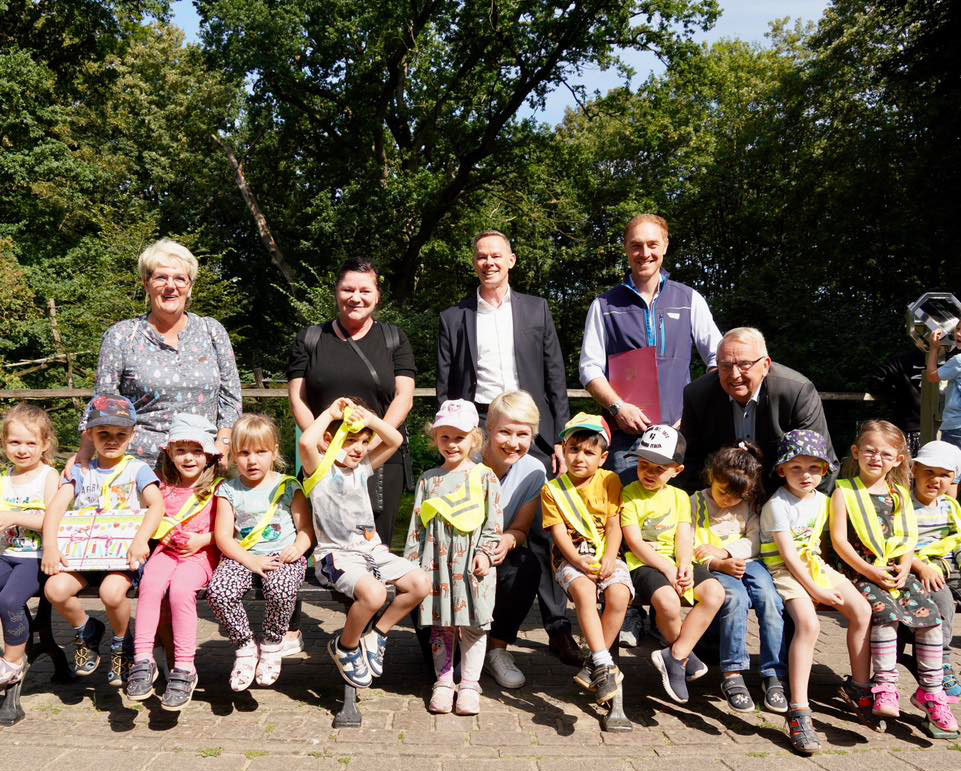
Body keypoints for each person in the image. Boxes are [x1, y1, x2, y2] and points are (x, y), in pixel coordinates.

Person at [436, 230, 577, 666]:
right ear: (474, 262)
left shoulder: (537, 308)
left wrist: (559, 439)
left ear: (511, 260)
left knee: (542, 526)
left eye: (497, 256)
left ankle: (557, 626)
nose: (489, 262)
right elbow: (446, 383)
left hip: (530, 423)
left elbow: (555, 375)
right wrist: (452, 440)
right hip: (478, 422)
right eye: (482, 256)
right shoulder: (453, 317)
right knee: (474, 519)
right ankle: (467, 619)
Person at [830, 420, 958, 738]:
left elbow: (908, 537)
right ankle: (886, 685)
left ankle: (932, 693)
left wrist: (904, 566)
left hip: (895, 571)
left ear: (899, 460)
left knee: (930, 617)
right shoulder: (844, 492)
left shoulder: (899, 493)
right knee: (885, 615)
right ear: (856, 453)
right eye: (870, 451)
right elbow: (839, 542)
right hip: (862, 572)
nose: (877, 458)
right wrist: (869, 570)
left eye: (886, 454)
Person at [579, 214, 722, 481]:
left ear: (665, 246)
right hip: (626, 439)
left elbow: (718, 357)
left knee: (678, 517)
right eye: (636, 245)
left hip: (680, 435)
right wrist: (618, 409)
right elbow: (589, 369)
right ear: (626, 248)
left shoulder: (690, 299)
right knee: (626, 517)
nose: (644, 253)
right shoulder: (604, 305)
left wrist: (694, 410)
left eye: (652, 244)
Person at [300, 397, 429, 689]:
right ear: (329, 440)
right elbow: (308, 442)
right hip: (336, 556)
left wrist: (370, 419)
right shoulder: (319, 469)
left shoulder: (363, 467)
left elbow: (394, 439)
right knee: (374, 595)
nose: (359, 448)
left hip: (371, 552)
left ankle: (378, 634)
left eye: (364, 441)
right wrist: (331, 412)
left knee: (421, 583)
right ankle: (345, 647)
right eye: (351, 440)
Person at [287, 258, 416, 549]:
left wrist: (368, 449)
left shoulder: (394, 338)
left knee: (376, 547)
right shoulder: (310, 338)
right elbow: (298, 399)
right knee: (323, 544)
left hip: (380, 457)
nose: (355, 297)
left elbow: (403, 397)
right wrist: (326, 447)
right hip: (322, 460)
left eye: (365, 290)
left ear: (377, 295)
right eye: (348, 289)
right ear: (336, 292)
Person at [759, 429, 872, 755]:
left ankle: (859, 687)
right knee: (809, 625)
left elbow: (832, 544)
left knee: (862, 611)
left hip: (817, 567)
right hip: (787, 571)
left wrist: (829, 581)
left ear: (824, 470)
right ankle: (798, 709)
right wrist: (816, 591)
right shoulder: (777, 505)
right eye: (796, 468)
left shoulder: (825, 500)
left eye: (813, 468)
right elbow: (789, 557)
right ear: (782, 470)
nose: (805, 475)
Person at [41, 395, 164, 687]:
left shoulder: (137, 470)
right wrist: (50, 546)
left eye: (121, 434)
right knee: (55, 589)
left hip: (122, 557)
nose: (112, 440)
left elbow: (157, 505)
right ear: (90, 435)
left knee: (111, 593)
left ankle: (122, 642)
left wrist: (141, 540)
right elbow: (56, 508)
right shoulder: (81, 472)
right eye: (103, 434)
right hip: (83, 556)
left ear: (132, 436)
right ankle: (87, 630)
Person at [87, 239, 242, 469]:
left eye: (180, 278)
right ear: (146, 284)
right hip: (139, 471)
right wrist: (83, 455)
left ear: (190, 287)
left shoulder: (212, 331)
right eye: (161, 278)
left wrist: (223, 445)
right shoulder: (122, 336)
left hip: (203, 467)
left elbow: (231, 399)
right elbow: (103, 403)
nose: (171, 286)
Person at [405, 400, 502, 716]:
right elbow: (416, 527)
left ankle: (471, 684)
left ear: (474, 438)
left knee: (474, 626)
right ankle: (444, 681)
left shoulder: (485, 477)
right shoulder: (428, 479)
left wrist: (486, 555)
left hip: (472, 566)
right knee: (441, 626)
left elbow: (494, 522)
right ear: (435, 439)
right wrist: (411, 566)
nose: (451, 444)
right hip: (436, 565)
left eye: (459, 437)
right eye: (444, 437)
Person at [206, 414, 313, 692]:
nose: (252, 460)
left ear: (275, 451)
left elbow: (306, 529)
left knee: (281, 589)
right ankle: (244, 647)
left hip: (282, 555)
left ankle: (271, 643)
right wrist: (250, 560)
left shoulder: (288, 486)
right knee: (219, 592)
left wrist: (297, 548)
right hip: (243, 555)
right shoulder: (228, 489)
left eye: (260, 452)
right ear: (233, 455)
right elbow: (222, 537)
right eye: (244, 453)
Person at [124, 414, 224, 710]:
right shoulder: (162, 489)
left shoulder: (218, 489)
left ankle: (185, 666)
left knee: (180, 590)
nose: (189, 458)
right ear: (169, 453)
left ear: (208, 455)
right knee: (151, 587)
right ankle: (143, 660)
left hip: (201, 555)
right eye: (181, 451)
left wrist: (203, 540)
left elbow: (229, 531)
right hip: (166, 552)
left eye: (196, 451)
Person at [620, 424, 725, 705]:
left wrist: (684, 565)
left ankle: (675, 656)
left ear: (676, 471)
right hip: (644, 562)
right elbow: (634, 542)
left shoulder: (680, 497)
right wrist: (666, 568)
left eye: (658, 468)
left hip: (676, 560)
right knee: (667, 600)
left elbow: (683, 535)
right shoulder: (629, 493)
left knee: (715, 594)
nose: (649, 473)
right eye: (644, 465)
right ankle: (683, 657)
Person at [540, 413, 632, 705]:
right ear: (563, 450)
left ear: (603, 457)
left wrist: (608, 558)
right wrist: (578, 562)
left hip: (607, 554)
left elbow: (615, 524)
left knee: (619, 594)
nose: (580, 458)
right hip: (571, 559)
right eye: (573, 449)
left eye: (589, 452)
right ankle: (604, 663)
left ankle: (593, 661)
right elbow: (559, 535)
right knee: (584, 590)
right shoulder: (552, 490)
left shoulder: (610, 481)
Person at [678, 327, 838, 494]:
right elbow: (690, 462)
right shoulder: (697, 395)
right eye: (725, 366)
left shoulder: (797, 392)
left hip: (784, 498)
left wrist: (810, 513)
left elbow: (821, 463)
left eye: (744, 364)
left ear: (766, 365)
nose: (734, 374)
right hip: (722, 499)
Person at [692, 443, 788, 714]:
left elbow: (755, 538)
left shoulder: (748, 505)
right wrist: (718, 562)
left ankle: (774, 673)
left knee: (770, 598)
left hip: (748, 562)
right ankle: (733, 673)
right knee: (735, 599)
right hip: (716, 568)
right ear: (712, 475)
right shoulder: (696, 502)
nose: (727, 500)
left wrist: (727, 551)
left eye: (735, 497)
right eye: (723, 491)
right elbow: (692, 544)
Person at [481, 391, 548, 689]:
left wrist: (508, 540)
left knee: (527, 565)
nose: (513, 442)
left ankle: (497, 650)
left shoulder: (534, 470)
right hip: (455, 551)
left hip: (499, 550)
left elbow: (521, 529)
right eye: (505, 432)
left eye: (523, 434)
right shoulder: (466, 459)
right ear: (489, 430)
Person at [0, 404, 59, 688]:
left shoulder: (48, 476)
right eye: (15, 442)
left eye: (30, 443)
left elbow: (54, 519)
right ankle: (15, 641)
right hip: (5, 553)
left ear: (44, 444)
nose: (22, 449)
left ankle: (13, 661)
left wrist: (14, 516)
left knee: (10, 600)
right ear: (4, 443)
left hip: (35, 558)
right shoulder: (4, 478)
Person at [905, 440, 961, 701]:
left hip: (948, 565)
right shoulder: (904, 505)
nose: (936, 480)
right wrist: (922, 567)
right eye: (929, 472)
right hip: (918, 567)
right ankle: (942, 660)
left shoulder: (949, 507)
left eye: (945, 475)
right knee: (944, 601)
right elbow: (898, 544)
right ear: (914, 470)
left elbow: (956, 537)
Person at [927, 325, 961, 458]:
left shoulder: (958, 361)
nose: (959, 334)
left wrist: (934, 348)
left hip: (956, 427)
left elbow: (932, 377)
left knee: (952, 472)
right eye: (958, 329)